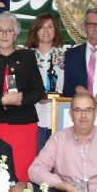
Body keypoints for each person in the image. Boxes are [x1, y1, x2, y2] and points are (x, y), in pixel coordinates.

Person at [0, 11, 44, 192]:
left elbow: (39, 91)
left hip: (23, 127)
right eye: (0, 30)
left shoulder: (28, 56)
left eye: (9, 30)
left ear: (15, 35)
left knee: (20, 180)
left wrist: (22, 98)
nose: (4, 34)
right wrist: (2, 100)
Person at [26, 12, 66, 151]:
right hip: (34, 116)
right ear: (35, 31)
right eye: (42, 27)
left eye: (50, 26)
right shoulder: (26, 55)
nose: (46, 31)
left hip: (60, 116)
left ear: (56, 31)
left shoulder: (65, 55)